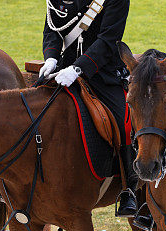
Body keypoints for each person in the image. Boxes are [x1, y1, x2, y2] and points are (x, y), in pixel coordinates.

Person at [40, 0, 138, 217]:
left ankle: (129, 191)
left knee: (124, 122)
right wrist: (51, 57)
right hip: (63, 70)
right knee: (32, 109)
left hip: (101, 72)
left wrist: (79, 68)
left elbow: (108, 40)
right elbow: (53, 29)